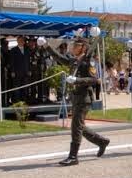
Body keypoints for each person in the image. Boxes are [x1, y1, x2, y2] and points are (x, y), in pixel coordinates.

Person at [38, 34, 109, 166]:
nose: (74, 47)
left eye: (76, 45)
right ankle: (101, 141)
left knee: (76, 126)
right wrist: (47, 46)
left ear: (83, 48)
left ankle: (73, 156)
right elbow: (59, 58)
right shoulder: (74, 60)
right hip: (75, 97)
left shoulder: (89, 62)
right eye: (74, 45)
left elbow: (94, 80)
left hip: (84, 97)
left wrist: (78, 80)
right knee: (79, 126)